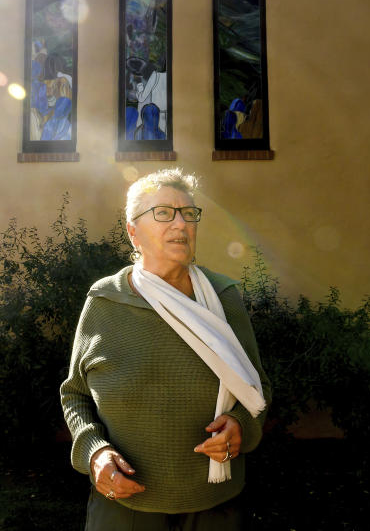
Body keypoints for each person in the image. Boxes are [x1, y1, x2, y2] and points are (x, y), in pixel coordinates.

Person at [60, 168, 271, 530]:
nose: (180, 224)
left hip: (213, 506)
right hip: (125, 507)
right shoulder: (105, 300)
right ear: (133, 231)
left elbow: (257, 388)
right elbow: (75, 395)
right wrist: (94, 451)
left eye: (188, 213)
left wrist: (241, 425)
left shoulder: (221, 298)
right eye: (163, 213)